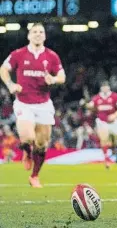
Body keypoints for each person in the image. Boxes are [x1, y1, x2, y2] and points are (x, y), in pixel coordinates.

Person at [0, 23, 66, 188]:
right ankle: (27, 152)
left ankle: (35, 176)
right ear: (28, 36)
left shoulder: (52, 56)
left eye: (41, 32)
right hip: (24, 103)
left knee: (42, 144)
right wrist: (10, 85)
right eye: (34, 32)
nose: (38, 34)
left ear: (45, 36)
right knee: (28, 137)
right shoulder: (19, 54)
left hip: (44, 104)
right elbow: (3, 69)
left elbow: (62, 76)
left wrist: (54, 79)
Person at [80, 81, 117, 169]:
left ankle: (113, 151)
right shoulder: (97, 98)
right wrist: (84, 104)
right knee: (104, 139)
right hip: (102, 121)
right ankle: (107, 160)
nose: (105, 88)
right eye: (103, 87)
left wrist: (115, 115)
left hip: (113, 122)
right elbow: (90, 106)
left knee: (114, 141)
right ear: (101, 88)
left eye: (106, 87)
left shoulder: (115, 96)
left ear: (109, 88)